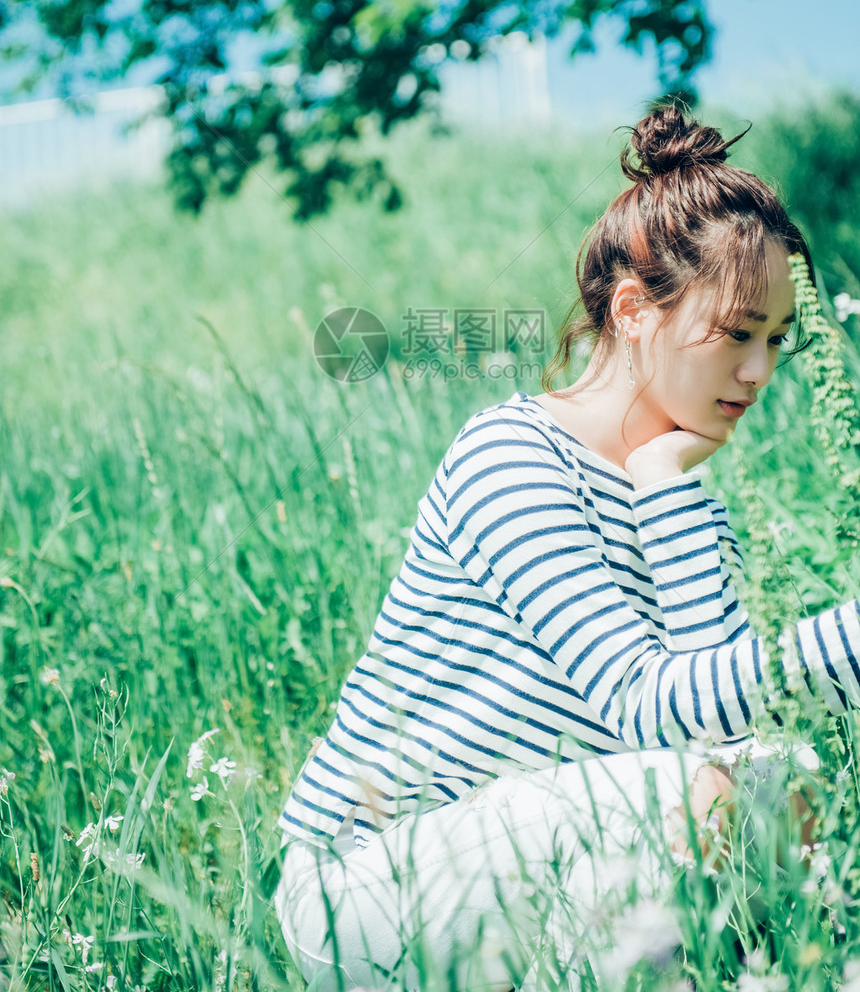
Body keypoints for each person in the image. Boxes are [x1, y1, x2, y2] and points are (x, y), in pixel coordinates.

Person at [273, 104, 854, 991]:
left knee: (778, 776)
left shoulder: (685, 500)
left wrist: (665, 481)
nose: (761, 371)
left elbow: (725, 725)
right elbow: (643, 705)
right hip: (366, 882)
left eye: (776, 340)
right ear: (633, 311)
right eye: (737, 333)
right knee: (720, 793)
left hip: (540, 857)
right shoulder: (509, 455)